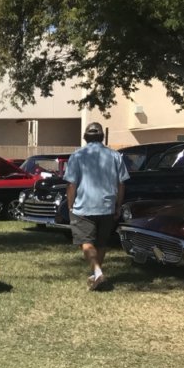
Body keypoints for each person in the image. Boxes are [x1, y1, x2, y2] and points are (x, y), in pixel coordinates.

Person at [64, 121, 130, 290]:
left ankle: (97, 272)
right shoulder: (115, 155)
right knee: (101, 243)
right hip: (107, 206)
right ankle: (96, 275)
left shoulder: (77, 156)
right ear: (102, 137)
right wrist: (118, 205)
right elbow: (122, 184)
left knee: (85, 242)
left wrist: (70, 206)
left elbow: (71, 184)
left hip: (83, 206)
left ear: (85, 137)